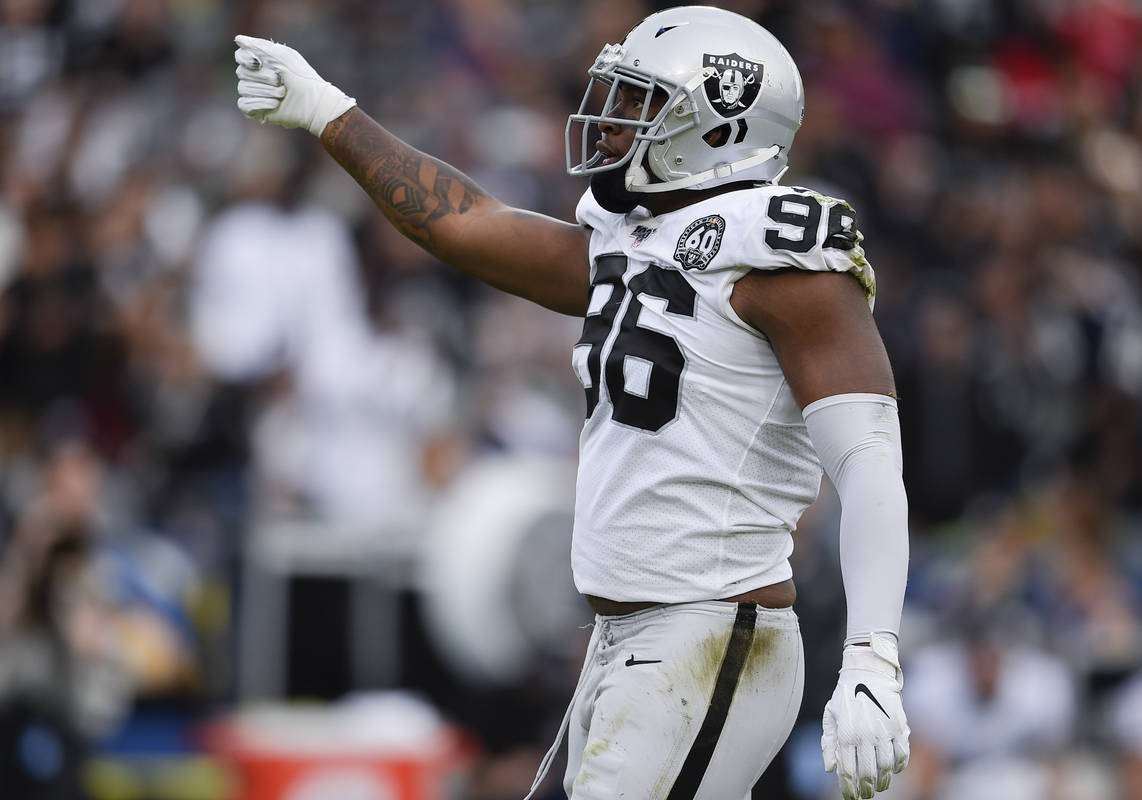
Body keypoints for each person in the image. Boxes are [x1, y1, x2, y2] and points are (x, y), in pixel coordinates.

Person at [232, 6, 910, 800]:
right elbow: (467, 224)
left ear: (721, 130)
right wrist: (328, 112)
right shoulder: (635, 238)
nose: (613, 122)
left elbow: (869, 463)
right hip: (627, 641)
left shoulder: (784, 257)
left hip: (714, 637)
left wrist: (871, 655)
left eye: (641, 104)